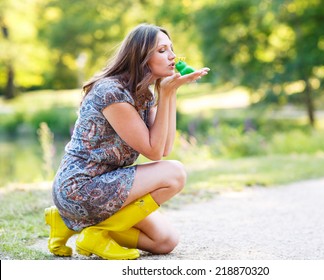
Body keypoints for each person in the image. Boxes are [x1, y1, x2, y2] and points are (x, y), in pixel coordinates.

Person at [44, 23, 210, 260]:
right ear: (141, 56)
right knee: (175, 173)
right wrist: (165, 94)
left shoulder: (144, 93)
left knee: (165, 241)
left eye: (171, 49)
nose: (173, 56)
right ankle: (97, 234)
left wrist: (169, 93)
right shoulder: (111, 92)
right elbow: (154, 152)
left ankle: (65, 223)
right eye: (162, 50)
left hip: (109, 186)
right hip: (81, 187)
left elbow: (164, 147)